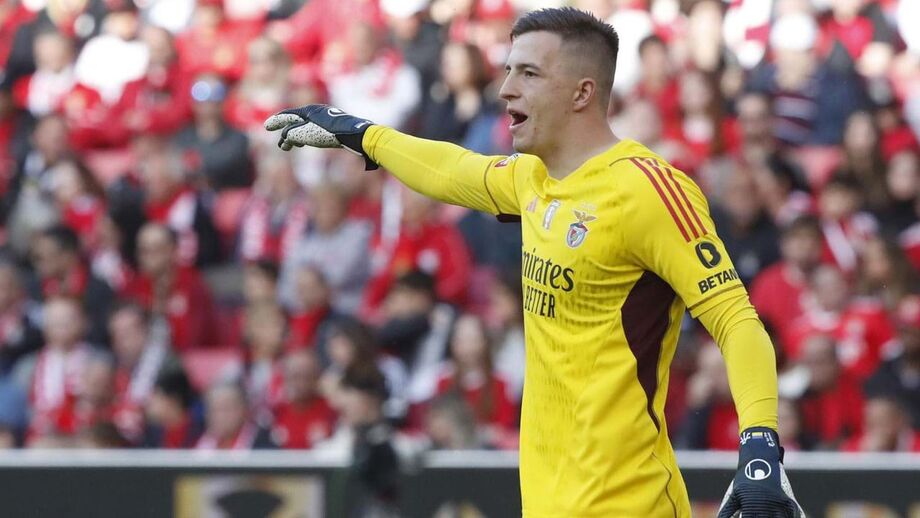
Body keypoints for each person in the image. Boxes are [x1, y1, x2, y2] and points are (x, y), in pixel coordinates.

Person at [267, 7, 802, 517]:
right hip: (546, 502)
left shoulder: (648, 191)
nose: (505, 89)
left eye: (528, 73)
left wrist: (759, 444)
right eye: (507, 71)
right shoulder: (532, 179)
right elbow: (453, 169)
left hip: (627, 503)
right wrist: (361, 133)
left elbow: (736, 320)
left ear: (582, 92)